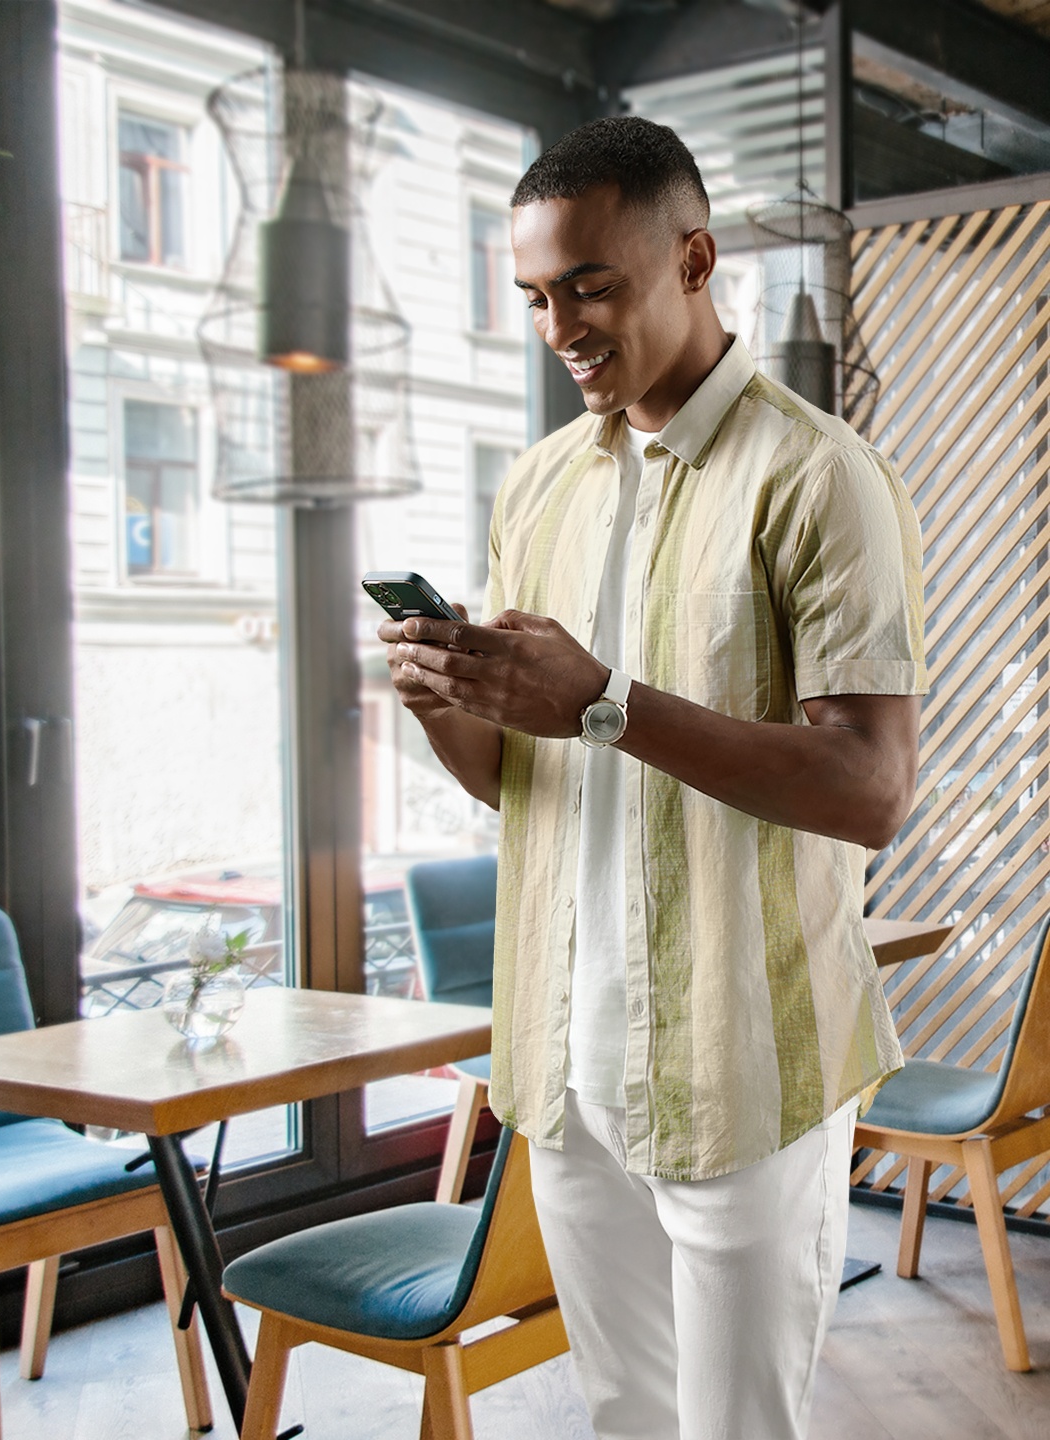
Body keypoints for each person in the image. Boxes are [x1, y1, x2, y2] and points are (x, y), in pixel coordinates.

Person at [378, 115, 927, 1440]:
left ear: (694, 258)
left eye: (591, 284)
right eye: (533, 296)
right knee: (624, 1416)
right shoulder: (540, 487)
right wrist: (443, 699)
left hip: (748, 1060)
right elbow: (523, 785)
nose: (559, 324)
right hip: (566, 1070)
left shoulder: (818, 476)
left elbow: (871, 787)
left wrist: (607, 703)